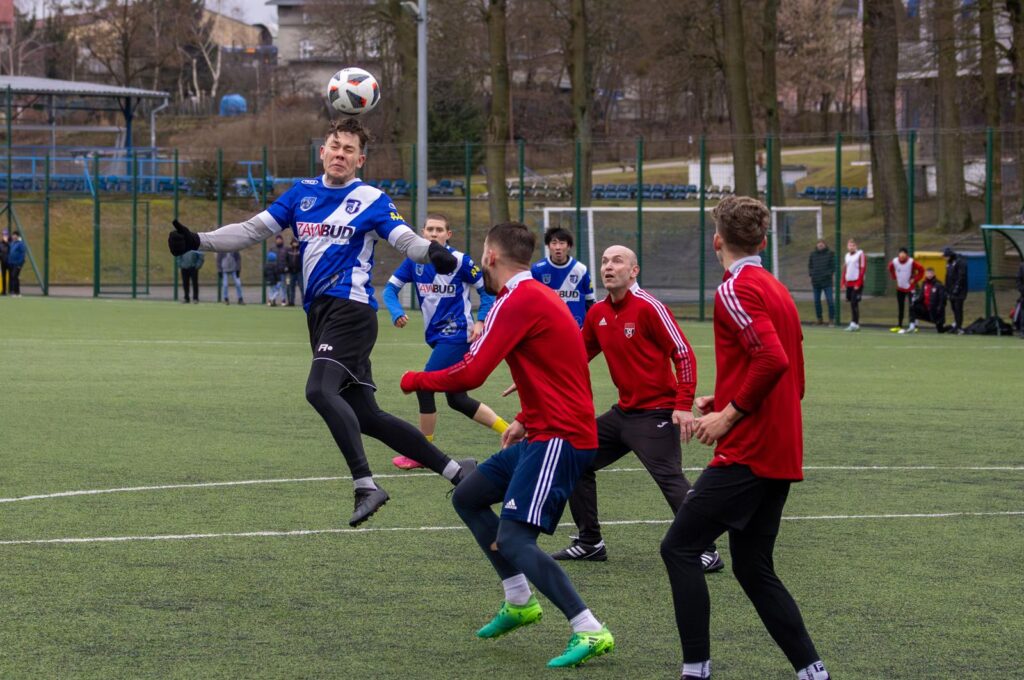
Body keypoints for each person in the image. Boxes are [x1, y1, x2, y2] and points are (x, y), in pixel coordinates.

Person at [167, 117, 473, 527]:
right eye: (335, 146)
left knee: (318, 390)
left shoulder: (371, 198)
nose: (340, 154)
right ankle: (457, 471)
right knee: (367, 416)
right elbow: (251, 230)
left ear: (360, 160)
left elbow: (403, 237)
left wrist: (431, 252)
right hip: (321, 316)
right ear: (322, 151)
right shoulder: (302, 193)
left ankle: (365, 484)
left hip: (352, 311)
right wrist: (197, 241)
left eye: (349, 150)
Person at [401, 222, 614, 669]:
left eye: (483, 251)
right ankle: (519, 600)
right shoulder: (535, 296)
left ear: (491, 256)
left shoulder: (517, 299)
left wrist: (416, 379)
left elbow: (472, 373)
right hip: (544, 431)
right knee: (468, 495)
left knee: (515, 540)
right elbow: (561, 367)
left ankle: (589, 628)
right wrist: (524, 419)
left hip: (560, 438)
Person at [660, 196, 829, 680]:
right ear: (764, 240)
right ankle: (813, 672)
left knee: (678, 548)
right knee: (753, 567)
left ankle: (695, 670)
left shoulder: (735, 288)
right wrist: (725, 396)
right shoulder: (778, 290)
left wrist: (729, 415)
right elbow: (793, 380)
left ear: (717, 241)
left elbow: (772, 360)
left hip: (749, 451)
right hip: (780, 450)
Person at [549, 244, 722, 573]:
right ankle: (590, 542)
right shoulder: (598, 313)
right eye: (604, 261)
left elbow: (683, 353)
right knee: (574, 457)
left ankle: (706, 549)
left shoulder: (649, 307)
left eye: (617, 261)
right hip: (623, 413)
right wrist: (540, 374)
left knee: (670, 480)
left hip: (657, 412)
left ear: (634, 271)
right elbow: (576, 355)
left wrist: (683, 404)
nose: (608, 266)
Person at [383, 213, 510, 470]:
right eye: (429, 229)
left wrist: (480, 321)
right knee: (457, 399)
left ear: (448, 235)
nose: (433, 234)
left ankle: (422, 453)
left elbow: (487, 292)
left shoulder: (461, 261)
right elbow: (389, 290)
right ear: (422, 232)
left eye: (439, 230)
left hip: (458, 335)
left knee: (424, 385)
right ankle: (512, 432)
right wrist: (396, 312)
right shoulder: (414, 260)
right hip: (437, 337)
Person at [531, 226, 595, 327]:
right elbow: (532, 303)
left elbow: (590, 302)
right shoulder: (537, 270)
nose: (558, 247)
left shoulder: (580, 269)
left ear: (568, 246)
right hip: (547, 328)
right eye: (554, 243)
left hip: (576, 328)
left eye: (562, 243)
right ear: (548, 246)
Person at [887, 247, 925, 332]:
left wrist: (915, 279)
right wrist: (894, 276)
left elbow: (921, 270)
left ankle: (913, 325)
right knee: (900, 307)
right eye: (900, 253)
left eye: (904, 254)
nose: (902, 255)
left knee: (912, 306)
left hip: (910, 288)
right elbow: (890, 267)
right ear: (898, 254)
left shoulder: (911, 262)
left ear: (906, 255)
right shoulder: (895, 261)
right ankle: (899, 325)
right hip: (900, 287)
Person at [901, 267, 947, 334]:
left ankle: (953, 326)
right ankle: (912, 327)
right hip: (925, 310)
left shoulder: (938, 285)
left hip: (935, 311)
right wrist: (915, 302)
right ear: (925, 274)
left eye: (931, 273)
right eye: (928, 273)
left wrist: (939, 308)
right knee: (913, 307)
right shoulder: (924, 283)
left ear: (934, 274)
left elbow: (942, 299)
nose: (929, 275)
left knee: (941, 330)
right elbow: (921, 297)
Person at [807, 239, 835, 325]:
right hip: (816, 282)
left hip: (827, 282)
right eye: (819, 243)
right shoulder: (813, 254)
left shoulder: (830, 254)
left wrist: (828, 274)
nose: (820, 245)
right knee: (817, 302)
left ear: (825, 245)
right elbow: (810, 266)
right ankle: (819, 319)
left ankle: (831, 320)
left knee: (830, 301)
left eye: (822, 243)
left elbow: (833, 267)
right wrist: (812, 274)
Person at [841, 237, 865, 331]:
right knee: (851, 302)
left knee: (854, 303)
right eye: (850, 245)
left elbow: (862, 268)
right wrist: (843, 282)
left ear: (856, 246)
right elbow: (845, 269)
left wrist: (858, 283)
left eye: (853, 245)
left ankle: (854, 323)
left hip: (857, 283)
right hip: (849, 283)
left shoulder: (860, 254)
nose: (851, 247)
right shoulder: (847, 256)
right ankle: (855, 324)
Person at [943, 246, 968, 334]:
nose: (945, 258)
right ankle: (956, 325)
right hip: (951, 290)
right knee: (954, 308)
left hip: (960, 291)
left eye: (946, 256)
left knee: (958, 308)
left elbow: (961, 276)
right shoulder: (949, 263)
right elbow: (947, 276)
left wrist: (957, 288)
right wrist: (947, 289)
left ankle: (959, 327)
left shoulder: (960, 262)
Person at [7, 230, 25, 297]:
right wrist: (9, 261)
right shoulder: (12, 243)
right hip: (11, 263)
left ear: (17, 236)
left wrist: (20, 264)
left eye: (15, 235)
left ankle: (13, 292)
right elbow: (10, 253)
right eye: (13, 235)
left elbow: (22, 254)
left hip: (17, 264)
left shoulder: (20, 244)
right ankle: (18, 292)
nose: (13, 236)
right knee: (15, 277)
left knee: (14, 276)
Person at [285, 238, 303, 306]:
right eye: (294, 242)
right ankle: (291, 302)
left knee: (302, 287)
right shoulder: (289, 251)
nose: (295, 243)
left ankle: (304, 302)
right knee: (291, 287)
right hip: (291, 272)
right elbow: (286, 260)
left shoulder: (301, 250)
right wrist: (287, 267)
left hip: (299, 272)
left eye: (296, 242)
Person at [0, 229, 9, 296]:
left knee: (12, 276)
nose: (4, 236)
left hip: (10, 262)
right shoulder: (0, 244)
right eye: (3, 235)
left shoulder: (10, 243)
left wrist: (7, 243)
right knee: (3, 276)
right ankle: (4, 291)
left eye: (5, 235)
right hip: (3, 262)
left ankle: (12, 290)